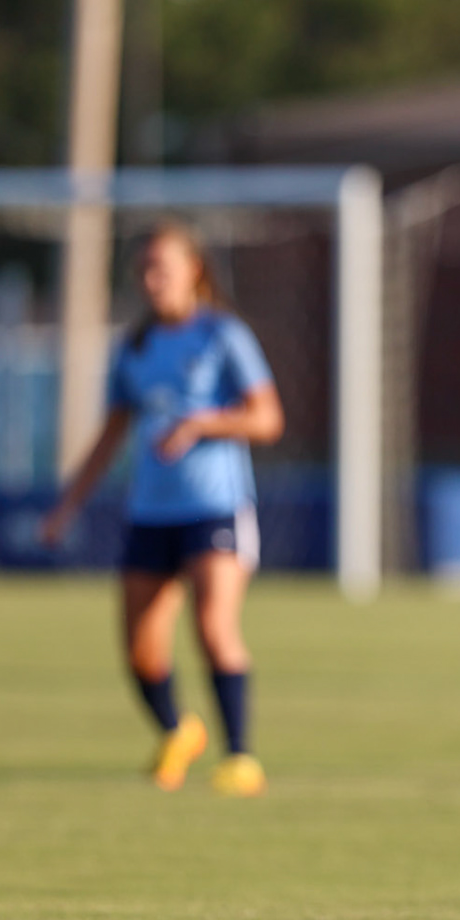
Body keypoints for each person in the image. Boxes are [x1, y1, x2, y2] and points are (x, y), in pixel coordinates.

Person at [42, 221, 284, 796]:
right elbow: (111, 434)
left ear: (193, 270)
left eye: (163, 269)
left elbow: (268, 420)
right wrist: (68, 506)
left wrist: (202, 423)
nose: (152, 281)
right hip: (151, 511)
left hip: (215, 507)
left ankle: (240, 756)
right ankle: (178, 731)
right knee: (139, 649)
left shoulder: (222, 336)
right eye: (145, 271)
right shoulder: (135, 346)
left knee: (212, 626)